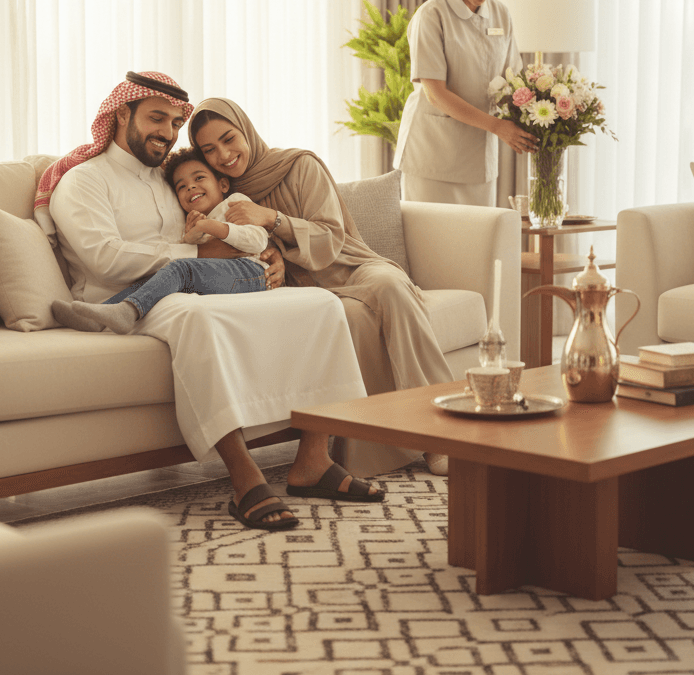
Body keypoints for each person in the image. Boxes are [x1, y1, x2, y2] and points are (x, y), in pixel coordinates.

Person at [35, 71, 384, 531]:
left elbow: (223, 225)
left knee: (320, 303)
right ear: (122, 114)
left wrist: (267, 253)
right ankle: (244, 477)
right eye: (157, 118)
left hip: (199, 284)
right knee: (196, 318)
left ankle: (313, 461)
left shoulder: (169, 178)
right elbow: (104, 259)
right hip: (127, 298)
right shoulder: (84, 180)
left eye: (176, 121)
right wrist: (197, 254)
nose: (168, 131)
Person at [189, 98, 454, 477]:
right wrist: (271, 257)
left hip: (349, 266)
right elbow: (231, 247)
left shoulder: (300, 165)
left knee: (391, 286)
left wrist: (274, 219)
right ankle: (380, 448)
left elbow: (331, 237)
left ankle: (439, 434)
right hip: (302, 290)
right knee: (349, 318)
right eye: (209, 150)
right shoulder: (224, 193)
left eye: (229, 139)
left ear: (245, 129)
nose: (224, 155)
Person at [393, 0, 539, 206]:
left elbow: (515, 82)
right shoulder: (431, 15)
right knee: (432, 246)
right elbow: (435, 93)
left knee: (478, 246)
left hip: (478, 161)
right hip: (432, 157)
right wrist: (498, 127)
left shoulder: (500, 15)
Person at [50, 148, 268, 334]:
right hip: (221, 274)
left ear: (222, 184)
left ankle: (129, 311)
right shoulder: (195, 219)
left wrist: (214, 228)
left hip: (250, 272)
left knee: (180, 268)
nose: (190, 187)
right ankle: (101, 315)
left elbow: (258, 241)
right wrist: (193, 234)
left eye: (199, 178)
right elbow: (194, 249)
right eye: (181, 186)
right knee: (161, 274)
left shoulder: (236, 203)